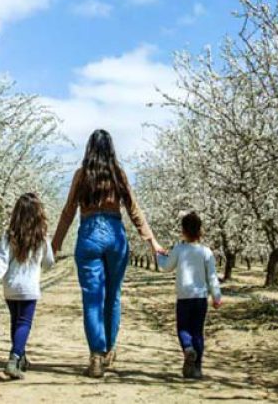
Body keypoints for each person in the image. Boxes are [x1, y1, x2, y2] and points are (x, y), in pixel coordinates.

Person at [53, 129, 166, 378]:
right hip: (116, 236)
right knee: (113, 296)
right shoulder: (118, 175)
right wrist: (152, 240)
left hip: (89, 235)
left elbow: (68, 211)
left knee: (92, 298)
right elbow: (134, 209)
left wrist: (55, 244)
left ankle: (95, 355)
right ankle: (109, 350)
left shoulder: (81, 176)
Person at [0, 192, 56, 380]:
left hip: (10, 288)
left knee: (15, 322)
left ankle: (21, 358)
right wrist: (43, 267)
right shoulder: (42, 237)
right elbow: (49, 262)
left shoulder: (9, 235)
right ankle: (13, 358)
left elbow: (1, 261)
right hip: (29, 288)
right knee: (24, 323)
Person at [157, 211, 222, 379]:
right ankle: (197, 368)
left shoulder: (179, 249)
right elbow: (212, 276)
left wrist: (159, 255)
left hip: (184, 298)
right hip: (200, 298)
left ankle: (187, 348)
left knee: (183, 329)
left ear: (183, 231)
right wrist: (216, 296)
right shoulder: (206, 252)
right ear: (200, 231)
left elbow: (166, 267)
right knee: (198, 332)